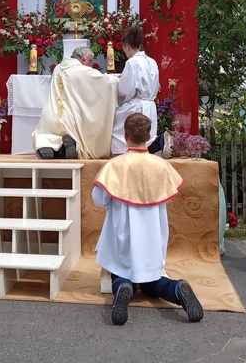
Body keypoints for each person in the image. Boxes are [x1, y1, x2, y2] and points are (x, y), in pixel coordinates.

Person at [93, 113, 204, 325]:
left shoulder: (115, 166)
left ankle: (123, 287)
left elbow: (100, 199)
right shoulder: (161, 166)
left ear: (125, 136)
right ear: (150, 136)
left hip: (121, 236)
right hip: (153, 236)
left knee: (120, 273)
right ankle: (176, 288)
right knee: (153, 282)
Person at [32, 46, 118, 159]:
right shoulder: (79, 69)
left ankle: (48, 148)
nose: (90, 64)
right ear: (83, 59)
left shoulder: (58, 67)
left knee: (48, 136)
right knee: (74, 131)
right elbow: (100, 81)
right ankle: (69, 147)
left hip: (49, 116)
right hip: (67, 120)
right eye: (89, 61)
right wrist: (115, 79)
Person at [111, 25, 170, 158]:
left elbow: (126, 90)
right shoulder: (152, 61)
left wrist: (118, 91)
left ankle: (122, 157)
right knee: (144, 136)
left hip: (137, 105)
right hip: (150, 104)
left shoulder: (132, 62)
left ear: (126, 47)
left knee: (113, 121)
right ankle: (158, 141)